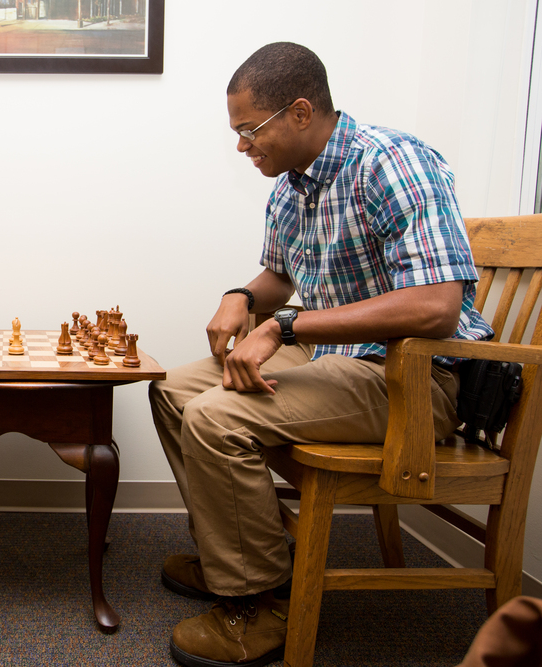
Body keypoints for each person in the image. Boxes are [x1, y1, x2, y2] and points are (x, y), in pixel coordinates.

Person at [148, 42, 493, 667]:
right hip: (333, 362)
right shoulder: (292, 185)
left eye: (249, 131)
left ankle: (261, 601)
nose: (241, 147)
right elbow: (279, 278)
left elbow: (437, 306)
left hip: (413, 378)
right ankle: (232, 559)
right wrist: (239, 295)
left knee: (215, 417)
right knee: (174, 389)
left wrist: (284, 326)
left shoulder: (392, 162)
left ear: (300, 112)